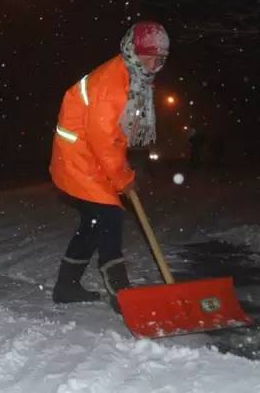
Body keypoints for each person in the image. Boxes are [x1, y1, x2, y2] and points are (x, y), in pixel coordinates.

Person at [49, 21, 170, 312]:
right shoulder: (111, 85)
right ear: (132, 51)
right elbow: (104, 140)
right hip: (79, 160)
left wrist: (121, 168)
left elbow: (115, 134)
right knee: (110, 218)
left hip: (88, 156)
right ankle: (121, 294)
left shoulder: (132, 75)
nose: (153, 64)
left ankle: (66, 287)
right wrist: (122, 177)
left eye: (159, 59)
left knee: (93, 225)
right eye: (148, 56)